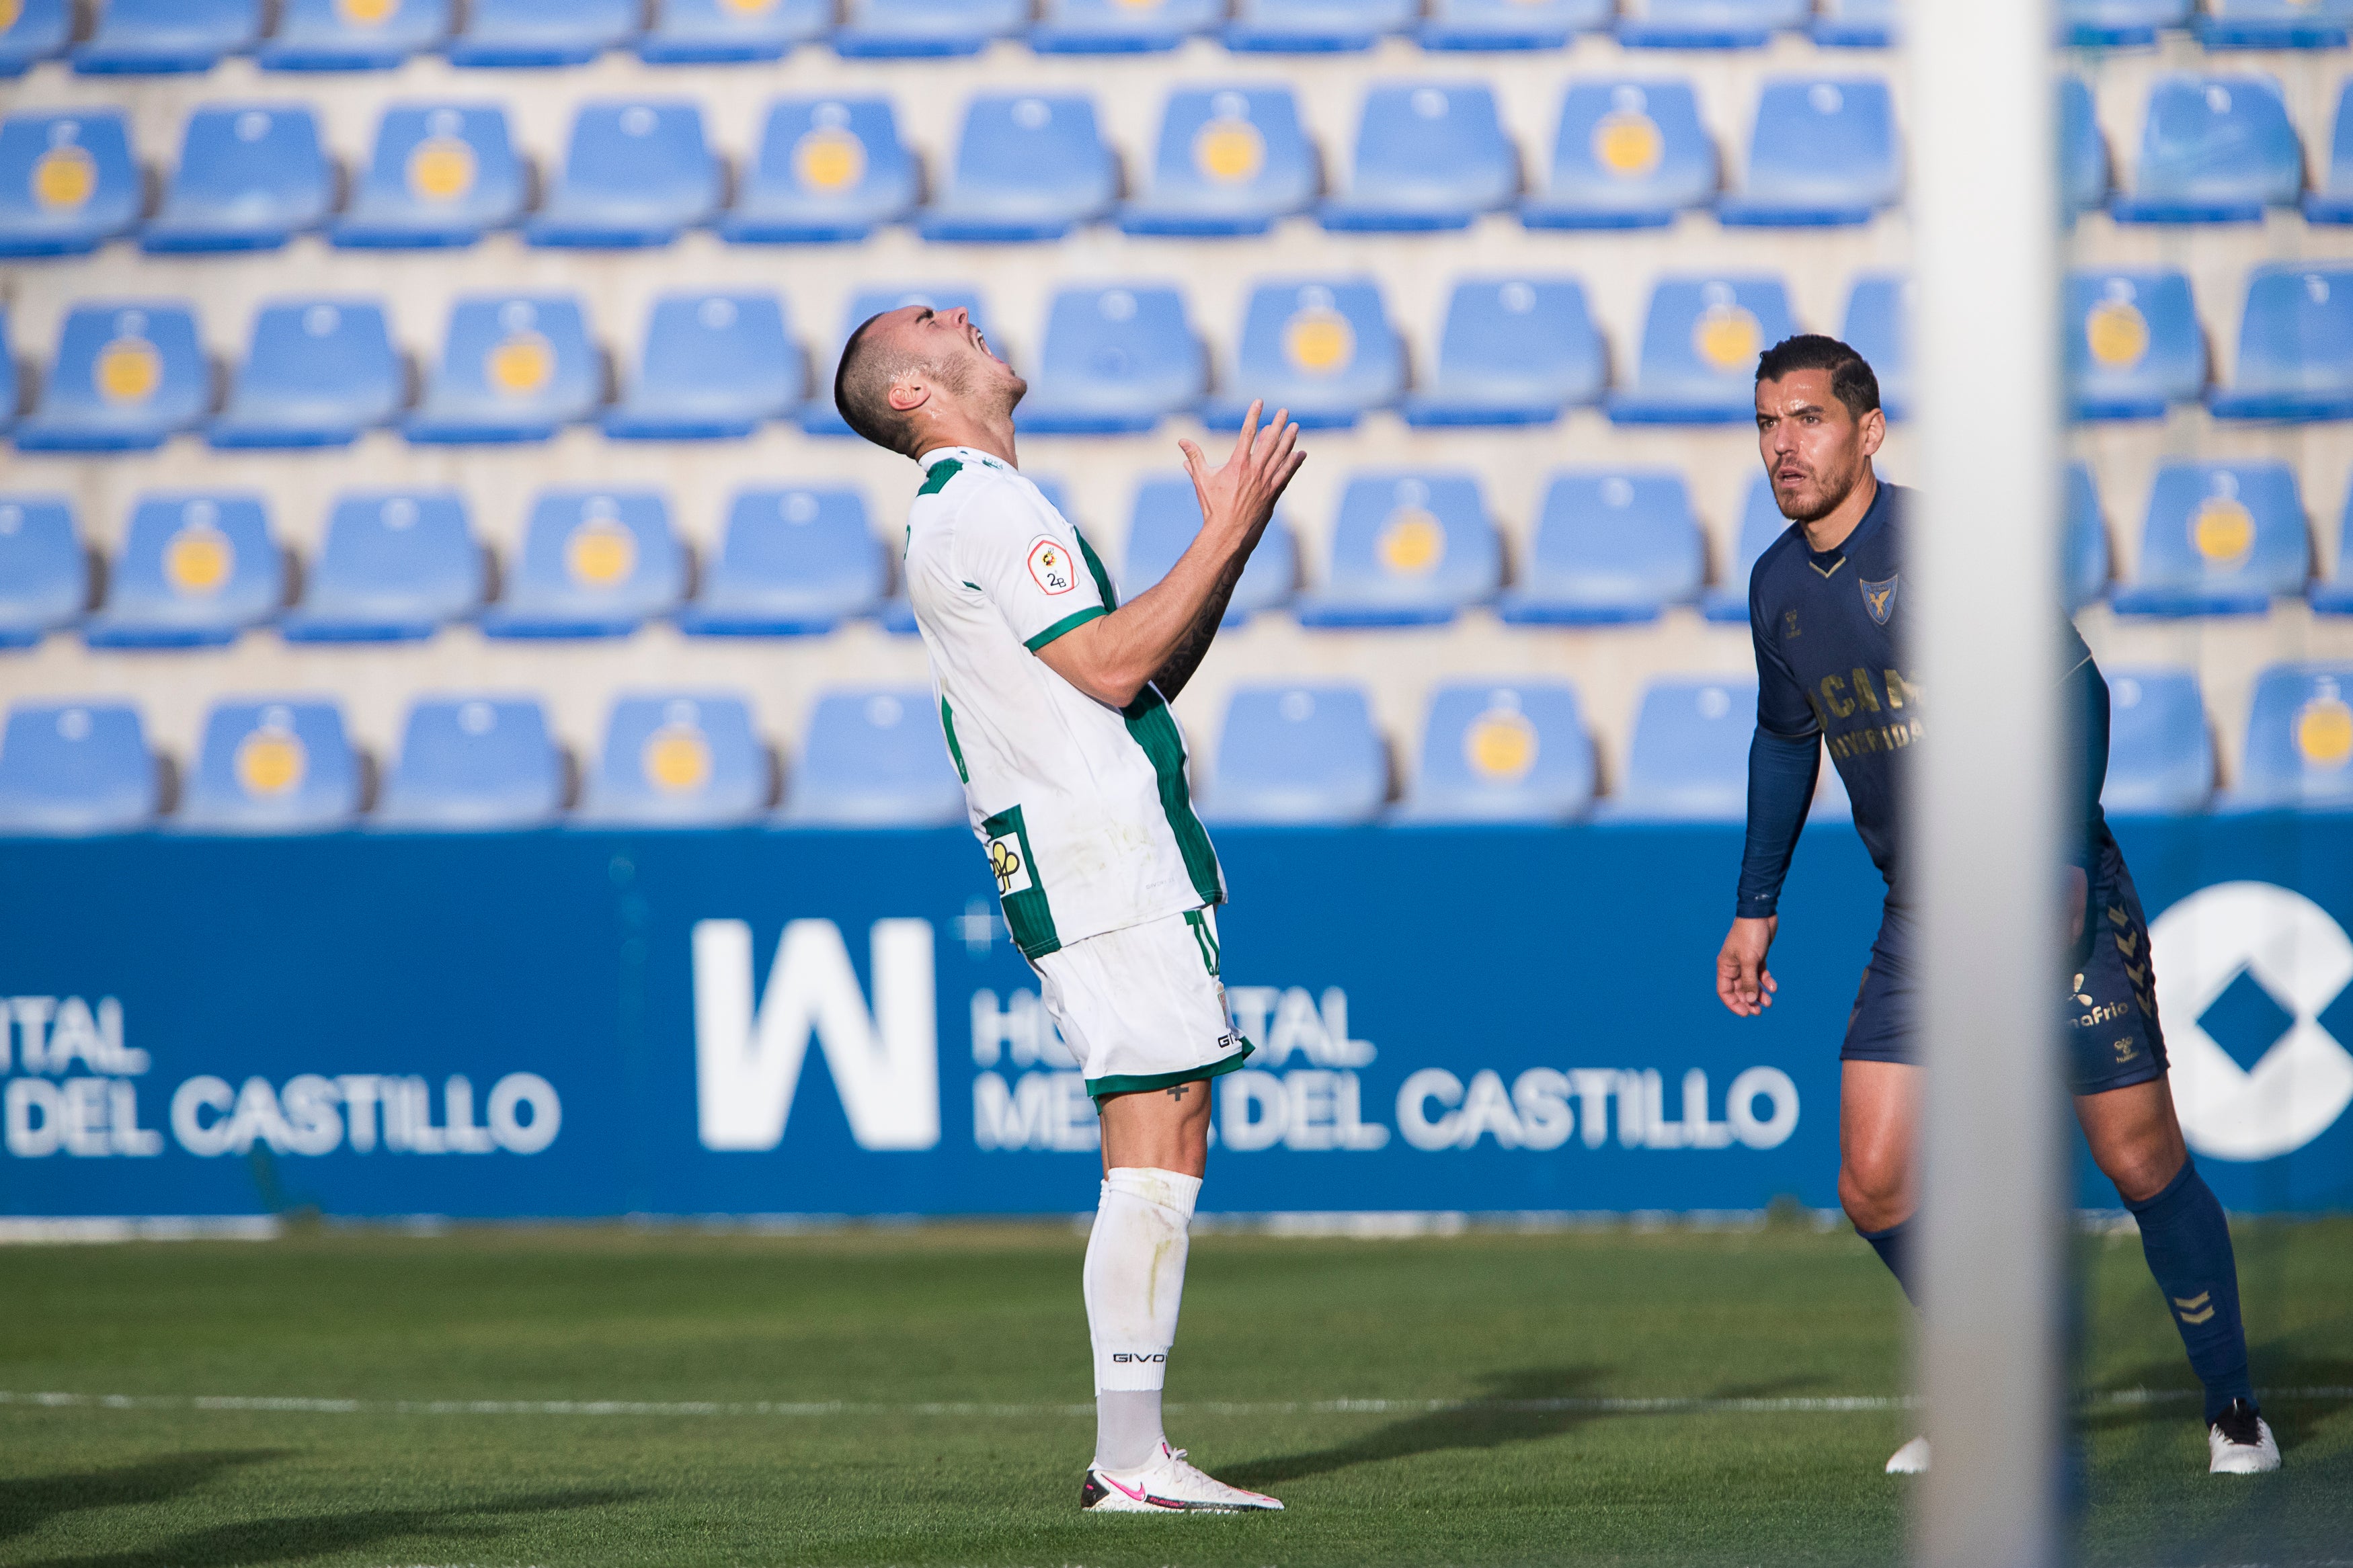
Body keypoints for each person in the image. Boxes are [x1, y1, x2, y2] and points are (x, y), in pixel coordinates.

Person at [1712, 335, 2279, 1477]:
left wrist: (2063, 852)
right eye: (1769, 423)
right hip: (1924, 914)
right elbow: (1786, 742)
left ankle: (2234, 1410)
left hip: (2044, 883)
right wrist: (1754, 905)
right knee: (1871, 1181)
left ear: (1869, 430)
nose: (1785, 445)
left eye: (1810, 419)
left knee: (2137, 1160)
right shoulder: (1778, 586)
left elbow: (2077, 690)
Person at [833, 303, 1302, 1512]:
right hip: (1091, 856)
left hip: (1099, 849)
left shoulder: (981, 507)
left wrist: (1224, 546)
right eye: (931, 323)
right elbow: (1112, 666)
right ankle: (1131, 1460)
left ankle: (1135, 1455)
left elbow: (1129, 670)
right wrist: (1235, 522)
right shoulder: (985, 502)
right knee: (1155, 1127)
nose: (960, 314)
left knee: (1171, 1121)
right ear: (911, 395)